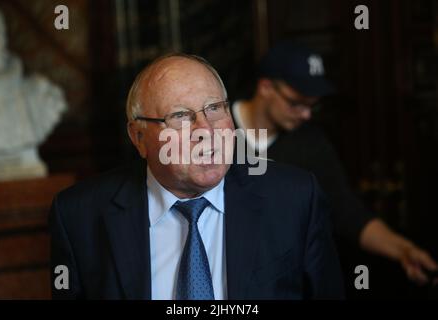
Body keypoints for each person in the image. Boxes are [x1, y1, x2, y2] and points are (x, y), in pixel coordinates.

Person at [49, 53, 344, 299]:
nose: (207, 130)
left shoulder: (294, 199)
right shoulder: (80, 215)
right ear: (139, 137)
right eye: (180, 116)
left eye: (215, 108)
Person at [232, 41, 438, 285]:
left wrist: (402, 249)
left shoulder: (311, 143)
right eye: (296, 103)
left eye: (312, 105)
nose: (306, 115)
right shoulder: (217, 131)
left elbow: (345, 211)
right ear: (266, 87)